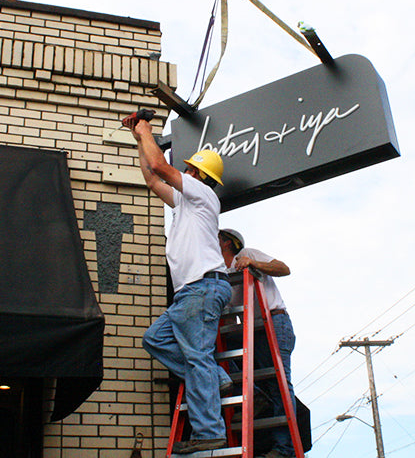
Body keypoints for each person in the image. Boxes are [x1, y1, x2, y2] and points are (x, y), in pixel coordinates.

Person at [123, 113, 232, 455]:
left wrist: (145, 131)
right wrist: (141, 139)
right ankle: (216, 377)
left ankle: (210, 430)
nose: (184, 172)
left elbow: (159, 167)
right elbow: (153, 181)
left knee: (196, 357)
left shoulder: (201, 194)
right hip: (190, 294)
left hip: (202, 288)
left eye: (189, 168)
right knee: (155, 340)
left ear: (200, 175)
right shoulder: (185, 203)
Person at [219, 228, 298, 458]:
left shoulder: (248, 254)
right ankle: (255, 395)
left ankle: (286, 450)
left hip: (274, 322)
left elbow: (284, 268)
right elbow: (229, 315)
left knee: (279, 383)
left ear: (225, 243)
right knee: (221, 354)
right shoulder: (225, 274)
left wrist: (252, 263)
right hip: (253, 330)